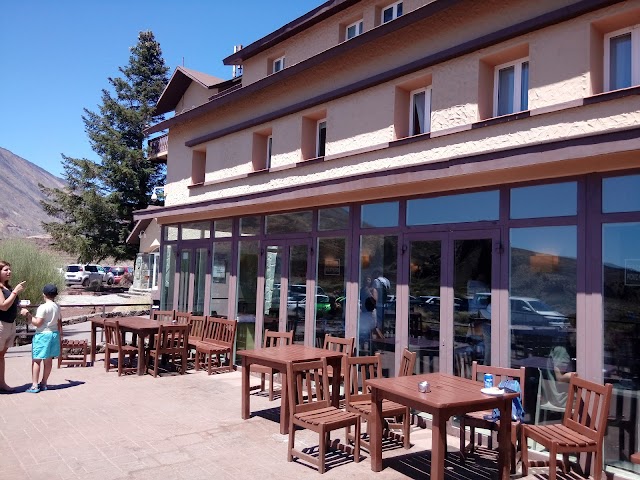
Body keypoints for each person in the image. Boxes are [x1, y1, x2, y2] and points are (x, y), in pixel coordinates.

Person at [26, 284, 61, 393]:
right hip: (54, 334)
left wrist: (28, 314)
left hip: (43, 335)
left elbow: (38, 323)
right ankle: (44, 383)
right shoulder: (57, 306)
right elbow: (59, 322)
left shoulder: (43, 307)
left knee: (37, 360)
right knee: (48, 360)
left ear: (44, 294)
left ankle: (35, 385)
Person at [0, 260, 28, 392]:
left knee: (1, 355)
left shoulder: (8, 288)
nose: (9, 272)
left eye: (9, 269)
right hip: (1, 324)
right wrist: (15, 292)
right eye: (5, 270)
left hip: (11, 324)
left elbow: (11, 303)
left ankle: (2, 383)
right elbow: (3, 306)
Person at [371, 270, 390, 338]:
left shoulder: (376, 281)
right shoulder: (386, 281)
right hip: (385, 303)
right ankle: (382, 333)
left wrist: (374, 303)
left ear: (377, 273)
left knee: (377, 321)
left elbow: (375, 293)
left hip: (378, 304)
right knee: (382, 320)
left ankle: (380, 337)